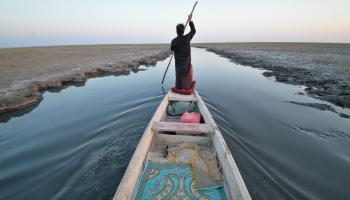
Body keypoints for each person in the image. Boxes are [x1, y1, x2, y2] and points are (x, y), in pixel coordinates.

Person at [170, 15, 196, 90]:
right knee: (187, 72)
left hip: (178, 67)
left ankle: (179, 87)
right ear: (183, 31)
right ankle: (186, 87)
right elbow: (193, 31)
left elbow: (172, 49)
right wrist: (190, 21)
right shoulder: (187, 38)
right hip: (185, 67)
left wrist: (175, 52)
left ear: (176, 31)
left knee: (179, 76)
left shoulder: (173, 41)